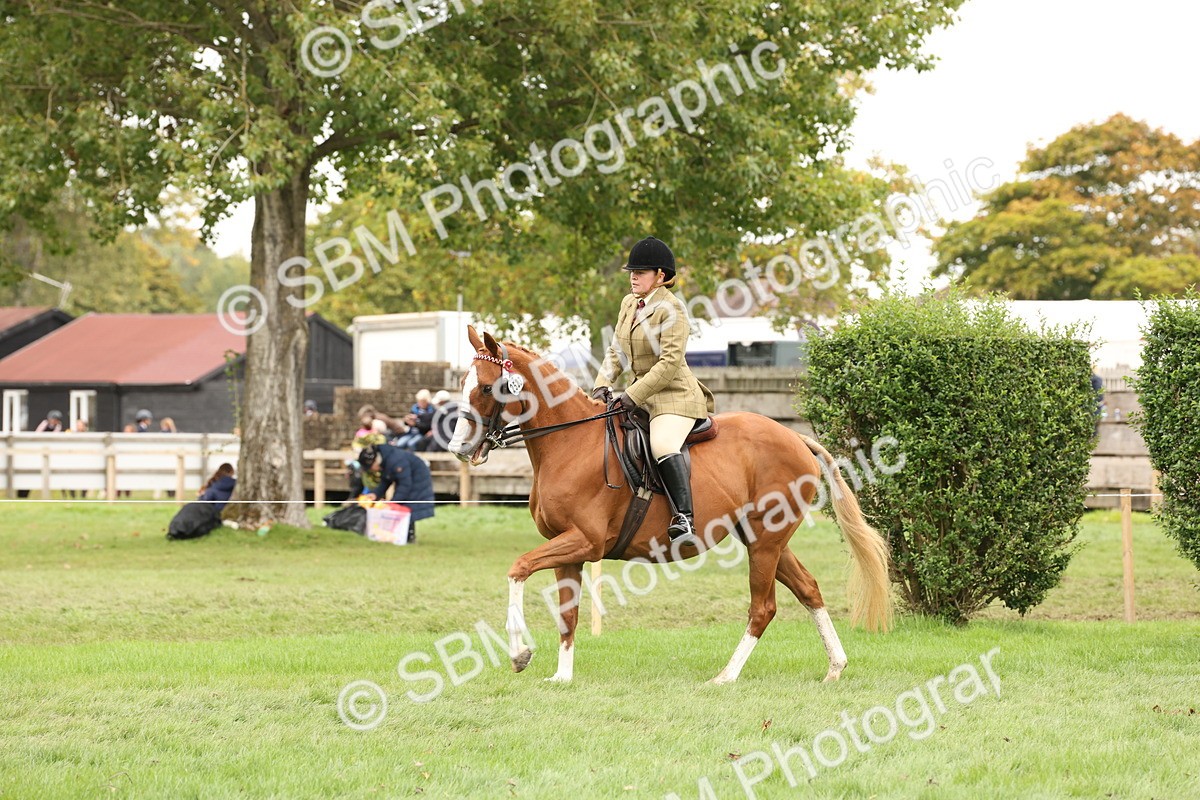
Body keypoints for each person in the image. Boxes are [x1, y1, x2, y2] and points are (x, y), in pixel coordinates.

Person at [592, 236, 715, 547]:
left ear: (661, 276)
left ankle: (683, 519)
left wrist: (633, 394)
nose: (633, 276)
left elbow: (670, 362)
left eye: (641, 271)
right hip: (642, 394)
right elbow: (617, 349)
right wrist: (601, 384)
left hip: (674, 396)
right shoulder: (629, 303)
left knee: (661, 444)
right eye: (632, 271)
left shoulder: (672, 309)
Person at [357, 444, 435, 541]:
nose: (370, 470)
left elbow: (405, 485)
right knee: (402, 504)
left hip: (418, 479)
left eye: (370, 467)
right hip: (407, 480)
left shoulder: (396, 460)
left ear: (374, 462)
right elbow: (386, 480)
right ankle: (401, 536)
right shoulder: (385, 459)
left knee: (408, 506)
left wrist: (393, 503)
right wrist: (375, 494)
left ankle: (409, 537)